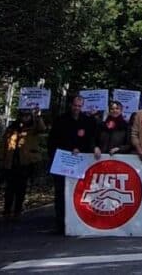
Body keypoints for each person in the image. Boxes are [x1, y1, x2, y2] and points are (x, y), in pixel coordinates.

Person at [48, 95, 99, 234]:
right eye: (75, 105)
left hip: (80, 162)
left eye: (79, 106)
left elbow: (92, 139)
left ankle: (79, 222)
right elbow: (52, 141)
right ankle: (61, 224)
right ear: (71, 105)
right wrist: (66, 151)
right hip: (63, 161)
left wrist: (85, 149)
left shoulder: (88, 121)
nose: (77, 108)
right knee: (61, 193)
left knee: (80, 192)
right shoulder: (60, 120)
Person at [0, 109, 46, 219]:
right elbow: (4, 144)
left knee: (21, 188)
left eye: (27, 115)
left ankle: (17, 211)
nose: (25, 117)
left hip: (25, 163)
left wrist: (38, 116)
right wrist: (1, 158)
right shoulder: (11, 128)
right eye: (23, 115)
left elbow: (42, 128)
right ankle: (7, 211)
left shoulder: (33, 128)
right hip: (11, 162)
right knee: (9, 189)